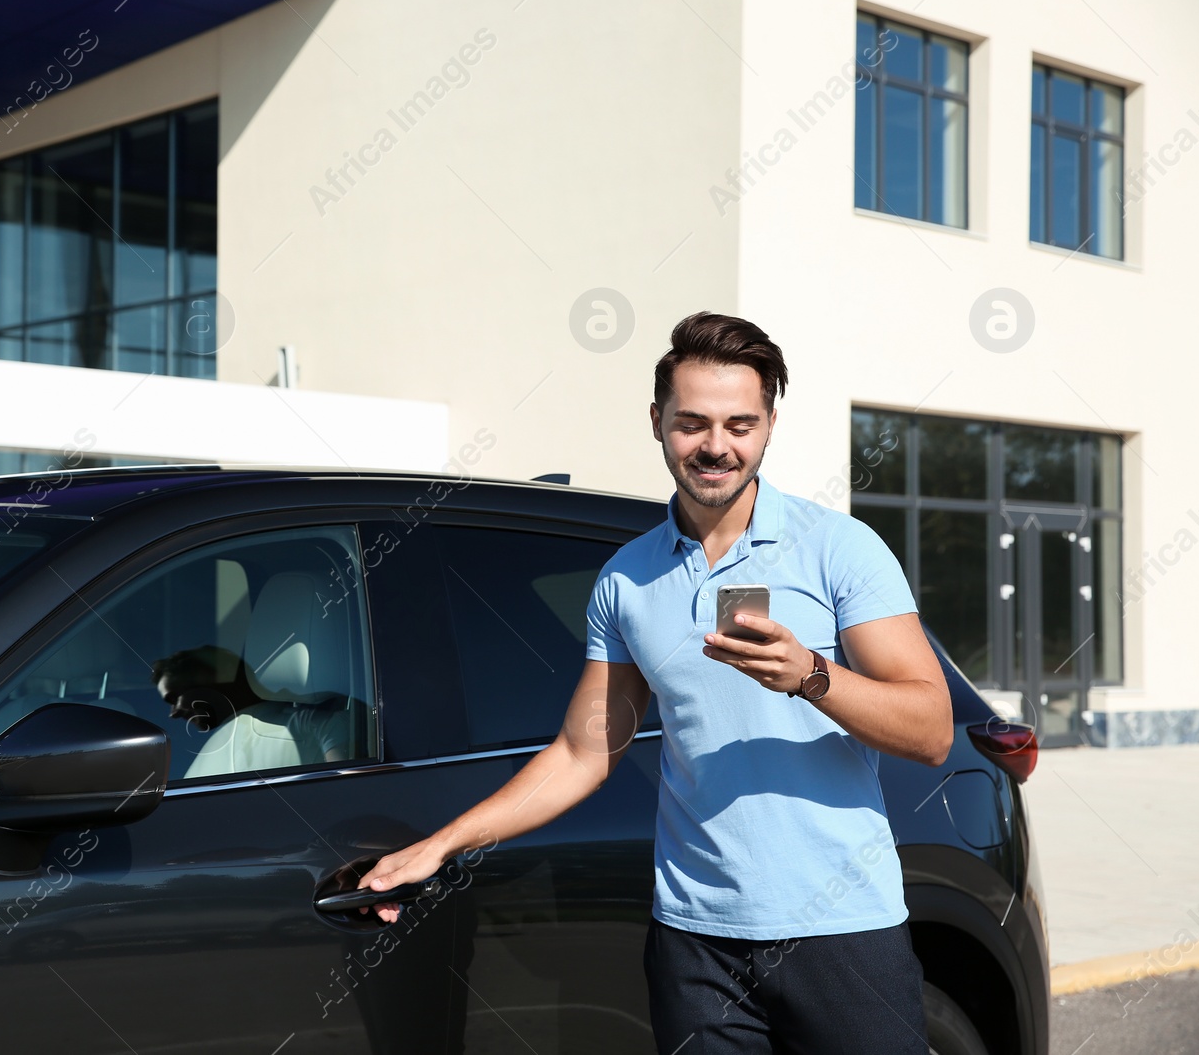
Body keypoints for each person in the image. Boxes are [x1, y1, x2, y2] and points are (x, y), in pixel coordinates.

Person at [357, 310, 951, 1053]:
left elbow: (930, 730)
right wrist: (442, 843)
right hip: (695, 943)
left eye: (740, 423)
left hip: (842, 932)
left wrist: (812, 675)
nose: (716, 446)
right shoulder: (627, 578)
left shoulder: (839, 548)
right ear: (657, 420)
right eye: (692, 422)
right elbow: (582, 753)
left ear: (769, 424)